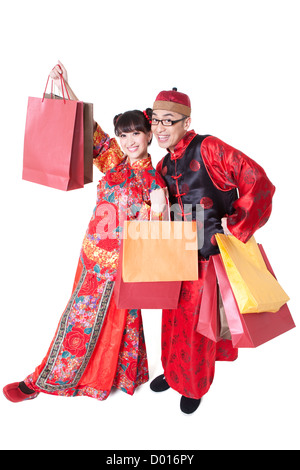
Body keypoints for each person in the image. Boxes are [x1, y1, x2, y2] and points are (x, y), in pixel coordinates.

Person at [3, 62, 167, 403]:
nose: (128, 140)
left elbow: (158, 211)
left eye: (135, 133)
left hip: (122, 261)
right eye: (123, 134)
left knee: (101, 317)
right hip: (92, 253)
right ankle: (111, 375)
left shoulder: (152, 178)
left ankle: (47, 380)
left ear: (149, 135)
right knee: (89, 314)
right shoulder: (111, 159)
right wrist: (66, 84)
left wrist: (157, 205)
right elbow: (85, 126)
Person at [149, 88, 276, 414]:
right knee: (172, 321)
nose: (160, 128)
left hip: (207, 258)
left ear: (186, 121)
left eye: (168, 121)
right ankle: (172, 372)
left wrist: (235, 223)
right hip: (175, 259)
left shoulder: (208, 148)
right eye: (156, 121)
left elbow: (256, 179)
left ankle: (193, 385)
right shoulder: (162, 164)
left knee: (197, 326)